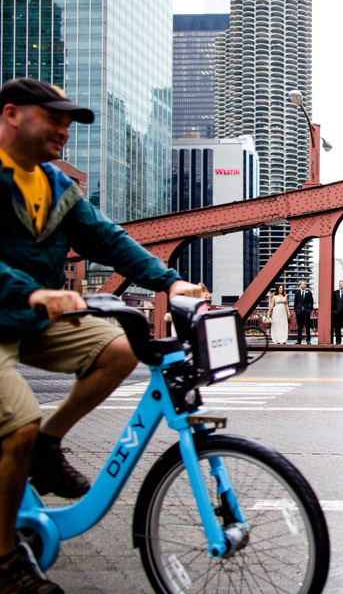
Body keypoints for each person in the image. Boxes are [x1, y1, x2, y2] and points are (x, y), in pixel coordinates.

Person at [0, 77, 201, 593]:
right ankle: (3, 562)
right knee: (16, 422)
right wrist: (31, 293)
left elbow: (109, 239)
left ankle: (48, 445)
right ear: (11, 115)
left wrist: (170, 279)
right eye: (54, 119)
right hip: (11, 312)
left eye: (70, 123)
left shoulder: (56, 187)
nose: (65, 130)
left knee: (118, 350)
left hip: (31, 317)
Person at [293, 279, 313, 344]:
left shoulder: (309, 293)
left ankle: (308, 340)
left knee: (307, 326)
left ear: (305, 285)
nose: (303, 285)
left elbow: (311, 302)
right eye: (302, 284)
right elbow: (295, 302)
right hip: (299, 312)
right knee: (299, 327)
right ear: (300, 285)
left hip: (306, 312)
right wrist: (296, 310)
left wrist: (310, 310)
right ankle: (299, 340)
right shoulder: (297, 293)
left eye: (304, 284)